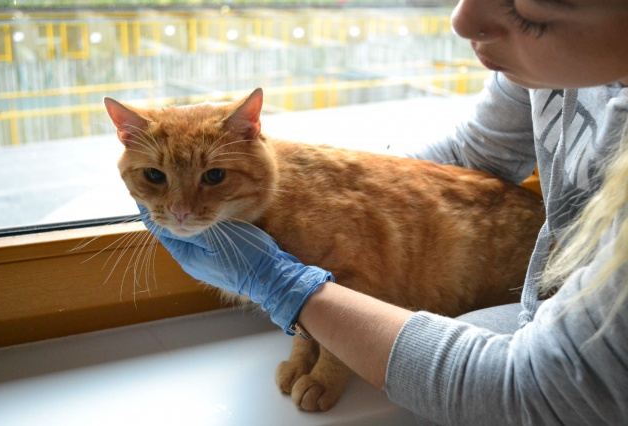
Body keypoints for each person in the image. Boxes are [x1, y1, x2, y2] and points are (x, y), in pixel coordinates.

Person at [139, 0, 628, 423]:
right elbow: (477, 153)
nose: (460, 20)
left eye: (527, 5)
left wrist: (285, 289)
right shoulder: (552, 62)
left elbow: (536, 396)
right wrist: (340, 181)